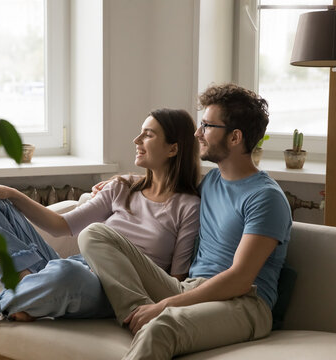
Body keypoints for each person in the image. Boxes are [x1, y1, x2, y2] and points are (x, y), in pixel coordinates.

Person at [79, 83, 292, 359]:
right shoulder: (212, 182)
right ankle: (134, 311)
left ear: (235, 137)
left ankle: (148, 318)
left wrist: (164, 306)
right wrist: (122, 183)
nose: (196, 133)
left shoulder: (265, 198)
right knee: (95, 233)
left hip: (245, 303)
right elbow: (167, 190)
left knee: (161, 327)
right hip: (190, 287)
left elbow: (240, 280)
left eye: (207, 126)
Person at [0, 108, 201, 322]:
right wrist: (11, 194)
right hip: (72, 267)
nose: (136, 140)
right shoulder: (122, 187)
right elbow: (61, 226)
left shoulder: (188, 207)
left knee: (66, 274)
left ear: (173, 148)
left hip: (108, 289)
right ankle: (25, 287)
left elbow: (174, 281)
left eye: (148, 135)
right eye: (140, 132)